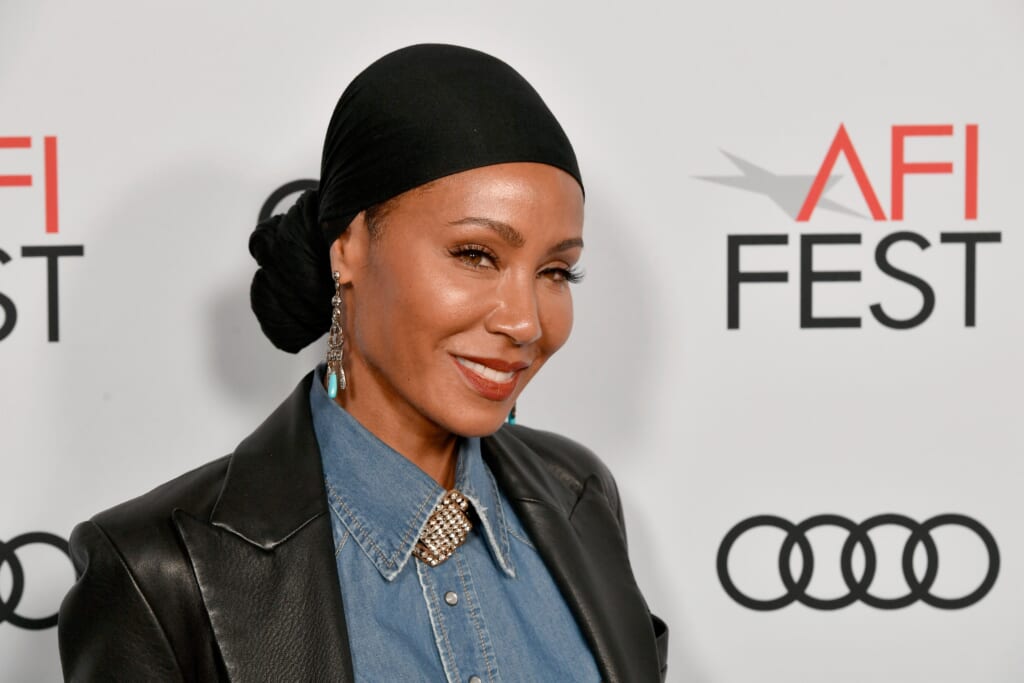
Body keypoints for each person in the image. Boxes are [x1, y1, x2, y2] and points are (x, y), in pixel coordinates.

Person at [57, 44, 668, 682]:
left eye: (556, 271)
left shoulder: (578, 494)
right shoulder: (157, 573)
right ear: (346, 247)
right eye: (475, 254)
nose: (525, 322)